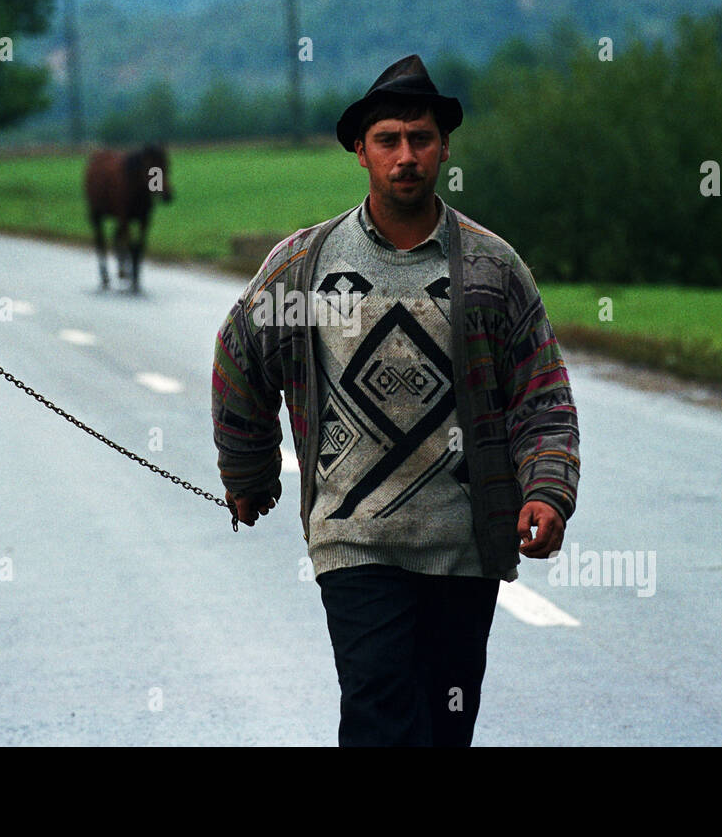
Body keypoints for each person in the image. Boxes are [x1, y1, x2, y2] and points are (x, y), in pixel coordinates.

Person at [211, 54, 580, 746]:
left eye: (421, 138)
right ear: (360, 151)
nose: (405, 155)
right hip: (354, 540)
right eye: (388, 140)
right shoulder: (305, 264)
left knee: (445, 727)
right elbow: (240, 358)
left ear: (445, 147)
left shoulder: (493, 269)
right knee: (378, 712)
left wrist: (547, 491)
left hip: (465, 544)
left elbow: (542, 394)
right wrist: (249, 474)